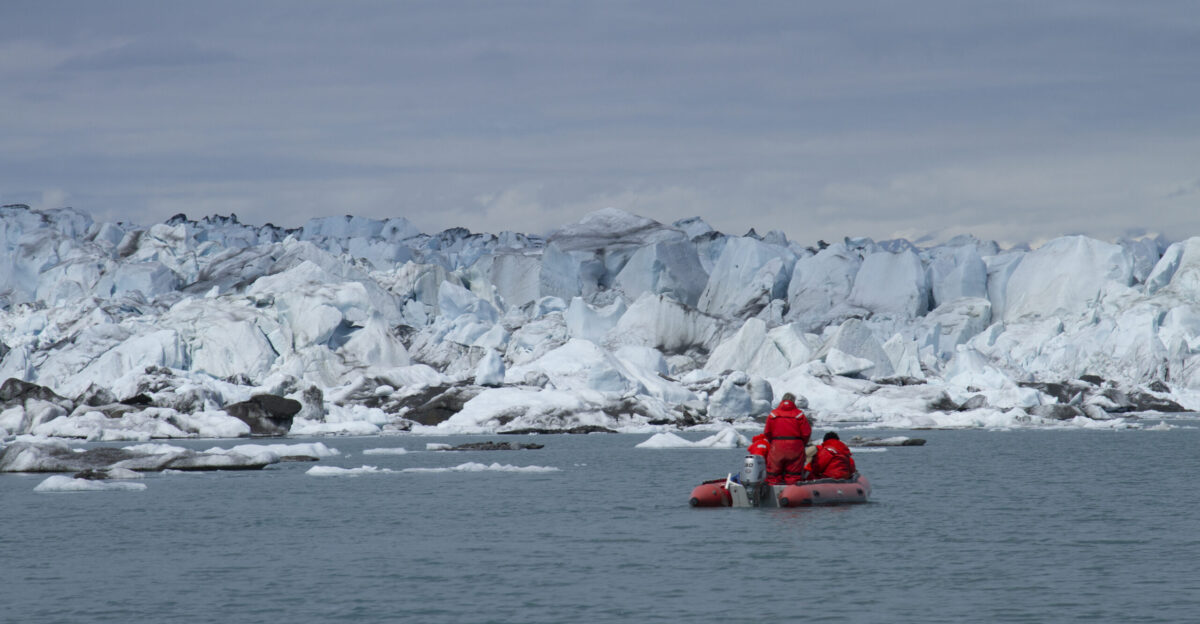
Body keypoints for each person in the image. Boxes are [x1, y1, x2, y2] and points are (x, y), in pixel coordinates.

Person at [762, 392, 811, 485]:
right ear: (793, 402)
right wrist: (801, 444)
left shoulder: (773, 414)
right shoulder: (799, 415)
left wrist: (773, 442)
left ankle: (773, 494)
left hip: (777, 447)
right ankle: (793, 495)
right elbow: (806, 433)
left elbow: (767, 432)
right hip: (795, 447)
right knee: (794, 475)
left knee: (774, 474)